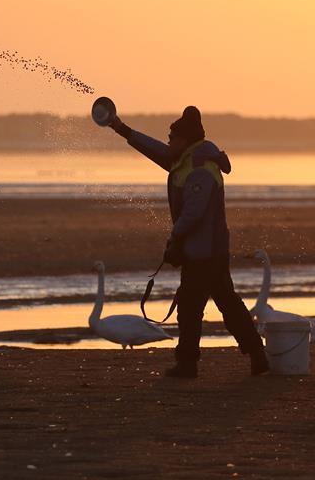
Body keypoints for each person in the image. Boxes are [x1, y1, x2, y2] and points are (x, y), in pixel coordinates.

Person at [107, 106, 268, 378]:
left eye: (172, 136)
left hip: (205, 253)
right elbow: (155, 149)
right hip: (205, 251)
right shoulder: (185, 159)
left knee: (193, 308)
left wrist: (174, 238)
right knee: (224, 304)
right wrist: (122, 129)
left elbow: (194, 212)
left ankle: (189, 364)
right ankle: (255, 355)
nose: (168, 140)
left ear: (185, 140)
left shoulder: (200, 169)